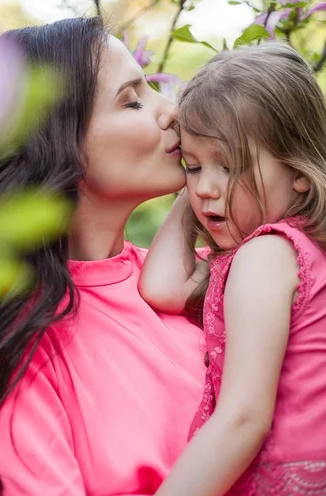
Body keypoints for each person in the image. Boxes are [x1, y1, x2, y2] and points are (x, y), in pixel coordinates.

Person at [0, 17, 206, 496]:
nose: (172, 110)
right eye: (132, 100)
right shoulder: (21, 346)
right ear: (60, 146)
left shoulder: (206, 272)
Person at [140, 42, 326, 495]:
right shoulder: (289, 251)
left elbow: (243, 417)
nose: (204, 188)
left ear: (297, 168)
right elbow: (163, 286)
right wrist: (209, 183)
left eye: (230, 164)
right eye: (192, 166)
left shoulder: (265, 256)